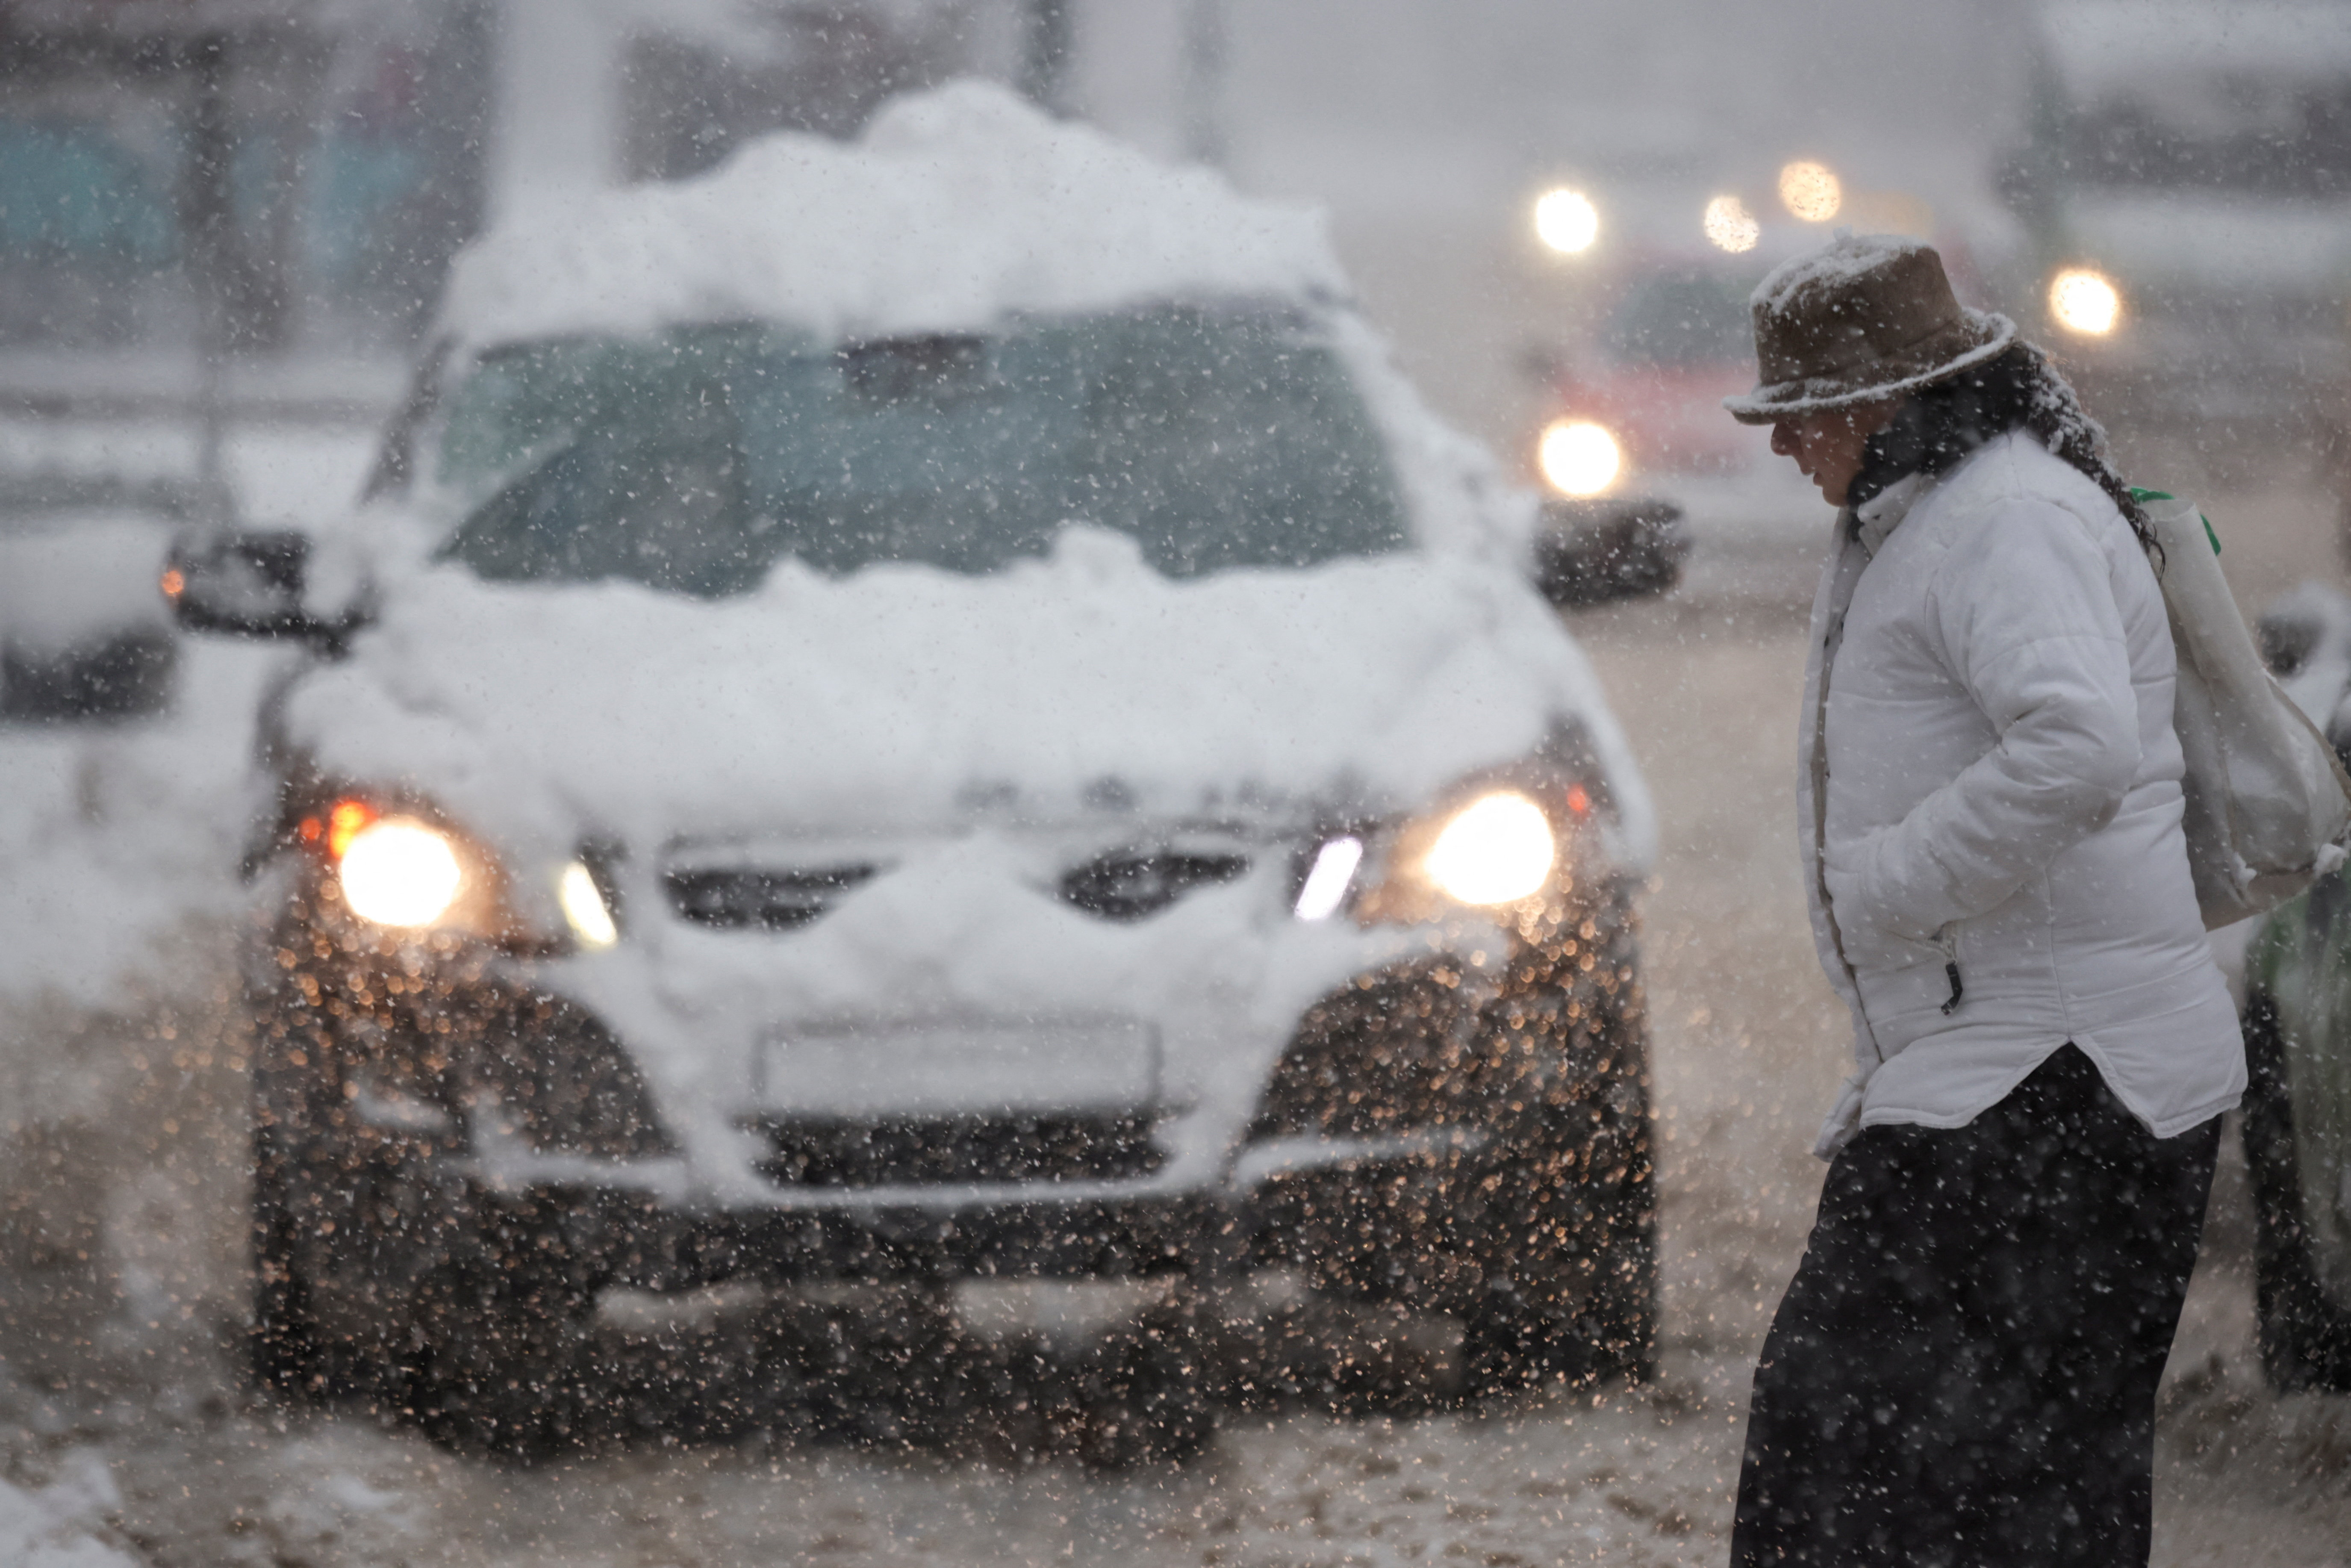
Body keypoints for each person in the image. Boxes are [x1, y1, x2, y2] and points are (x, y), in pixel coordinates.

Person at [1720, 233, 2245, 1567]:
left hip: (2055, 1080)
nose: (1785, 448)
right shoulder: (1944, 510)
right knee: (2026, 1489)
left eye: (1800, 416)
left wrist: (1888, 888)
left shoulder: (2002, 520)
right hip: (2034, 1075)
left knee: (1833, 1460)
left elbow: (2073, 745)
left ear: (1885, 399)